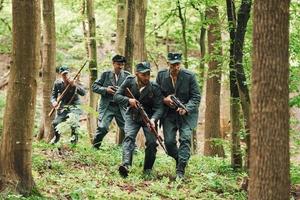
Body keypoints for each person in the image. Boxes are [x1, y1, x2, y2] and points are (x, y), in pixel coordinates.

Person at [114, 61, 163, 177]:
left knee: (152, 142)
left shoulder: (154, 87)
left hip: (149, 119)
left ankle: (147, 170)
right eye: (143, 74)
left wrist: (154, 120)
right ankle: (126, 166)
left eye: (148, 74)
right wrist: (128, 101)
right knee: (129, 137)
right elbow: (117, 96)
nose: (146, 77)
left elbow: (160, 108)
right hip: (133, 116)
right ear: (136, 73)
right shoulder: (129, 81)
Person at [156, 53, 201, 179]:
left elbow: (196, 96)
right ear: (168, 64)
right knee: (169, 142)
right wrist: (165, 99)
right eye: (172, 64)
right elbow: (155, 93)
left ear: (180, 64)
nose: (175, 67)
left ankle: (180, 170)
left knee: (185, 139)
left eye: (177, 64)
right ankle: (179, 158)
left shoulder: (189, 76)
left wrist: (186, 108)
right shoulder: (161, 76)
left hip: (186, 115)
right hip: (168, 114)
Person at [92, 55, 131, 149]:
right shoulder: (105, 74)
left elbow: (132, 91)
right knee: (103, 127)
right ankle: (95, 146)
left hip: (121, 106)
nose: (120, 66)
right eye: (118, 64)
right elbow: (94, 87)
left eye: (122, 64)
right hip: (107, 106)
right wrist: (106, 90)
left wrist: (123, 91)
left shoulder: (127, 75)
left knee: (128, 129)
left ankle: (132, 148)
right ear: (113, 63)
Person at [50, 65, 86, 144]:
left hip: (75, 106)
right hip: (64, 106)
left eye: (66, 73)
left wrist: (74, 85)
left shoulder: (76, 81)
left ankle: (74, 142)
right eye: (63, 74)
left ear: (69, 73)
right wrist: (54, 102)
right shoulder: (57, 83)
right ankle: (56, 138)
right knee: (55, 123)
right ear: (60, 74)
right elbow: (53, 96)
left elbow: (83, 93)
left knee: (74, 122)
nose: (65, 76)